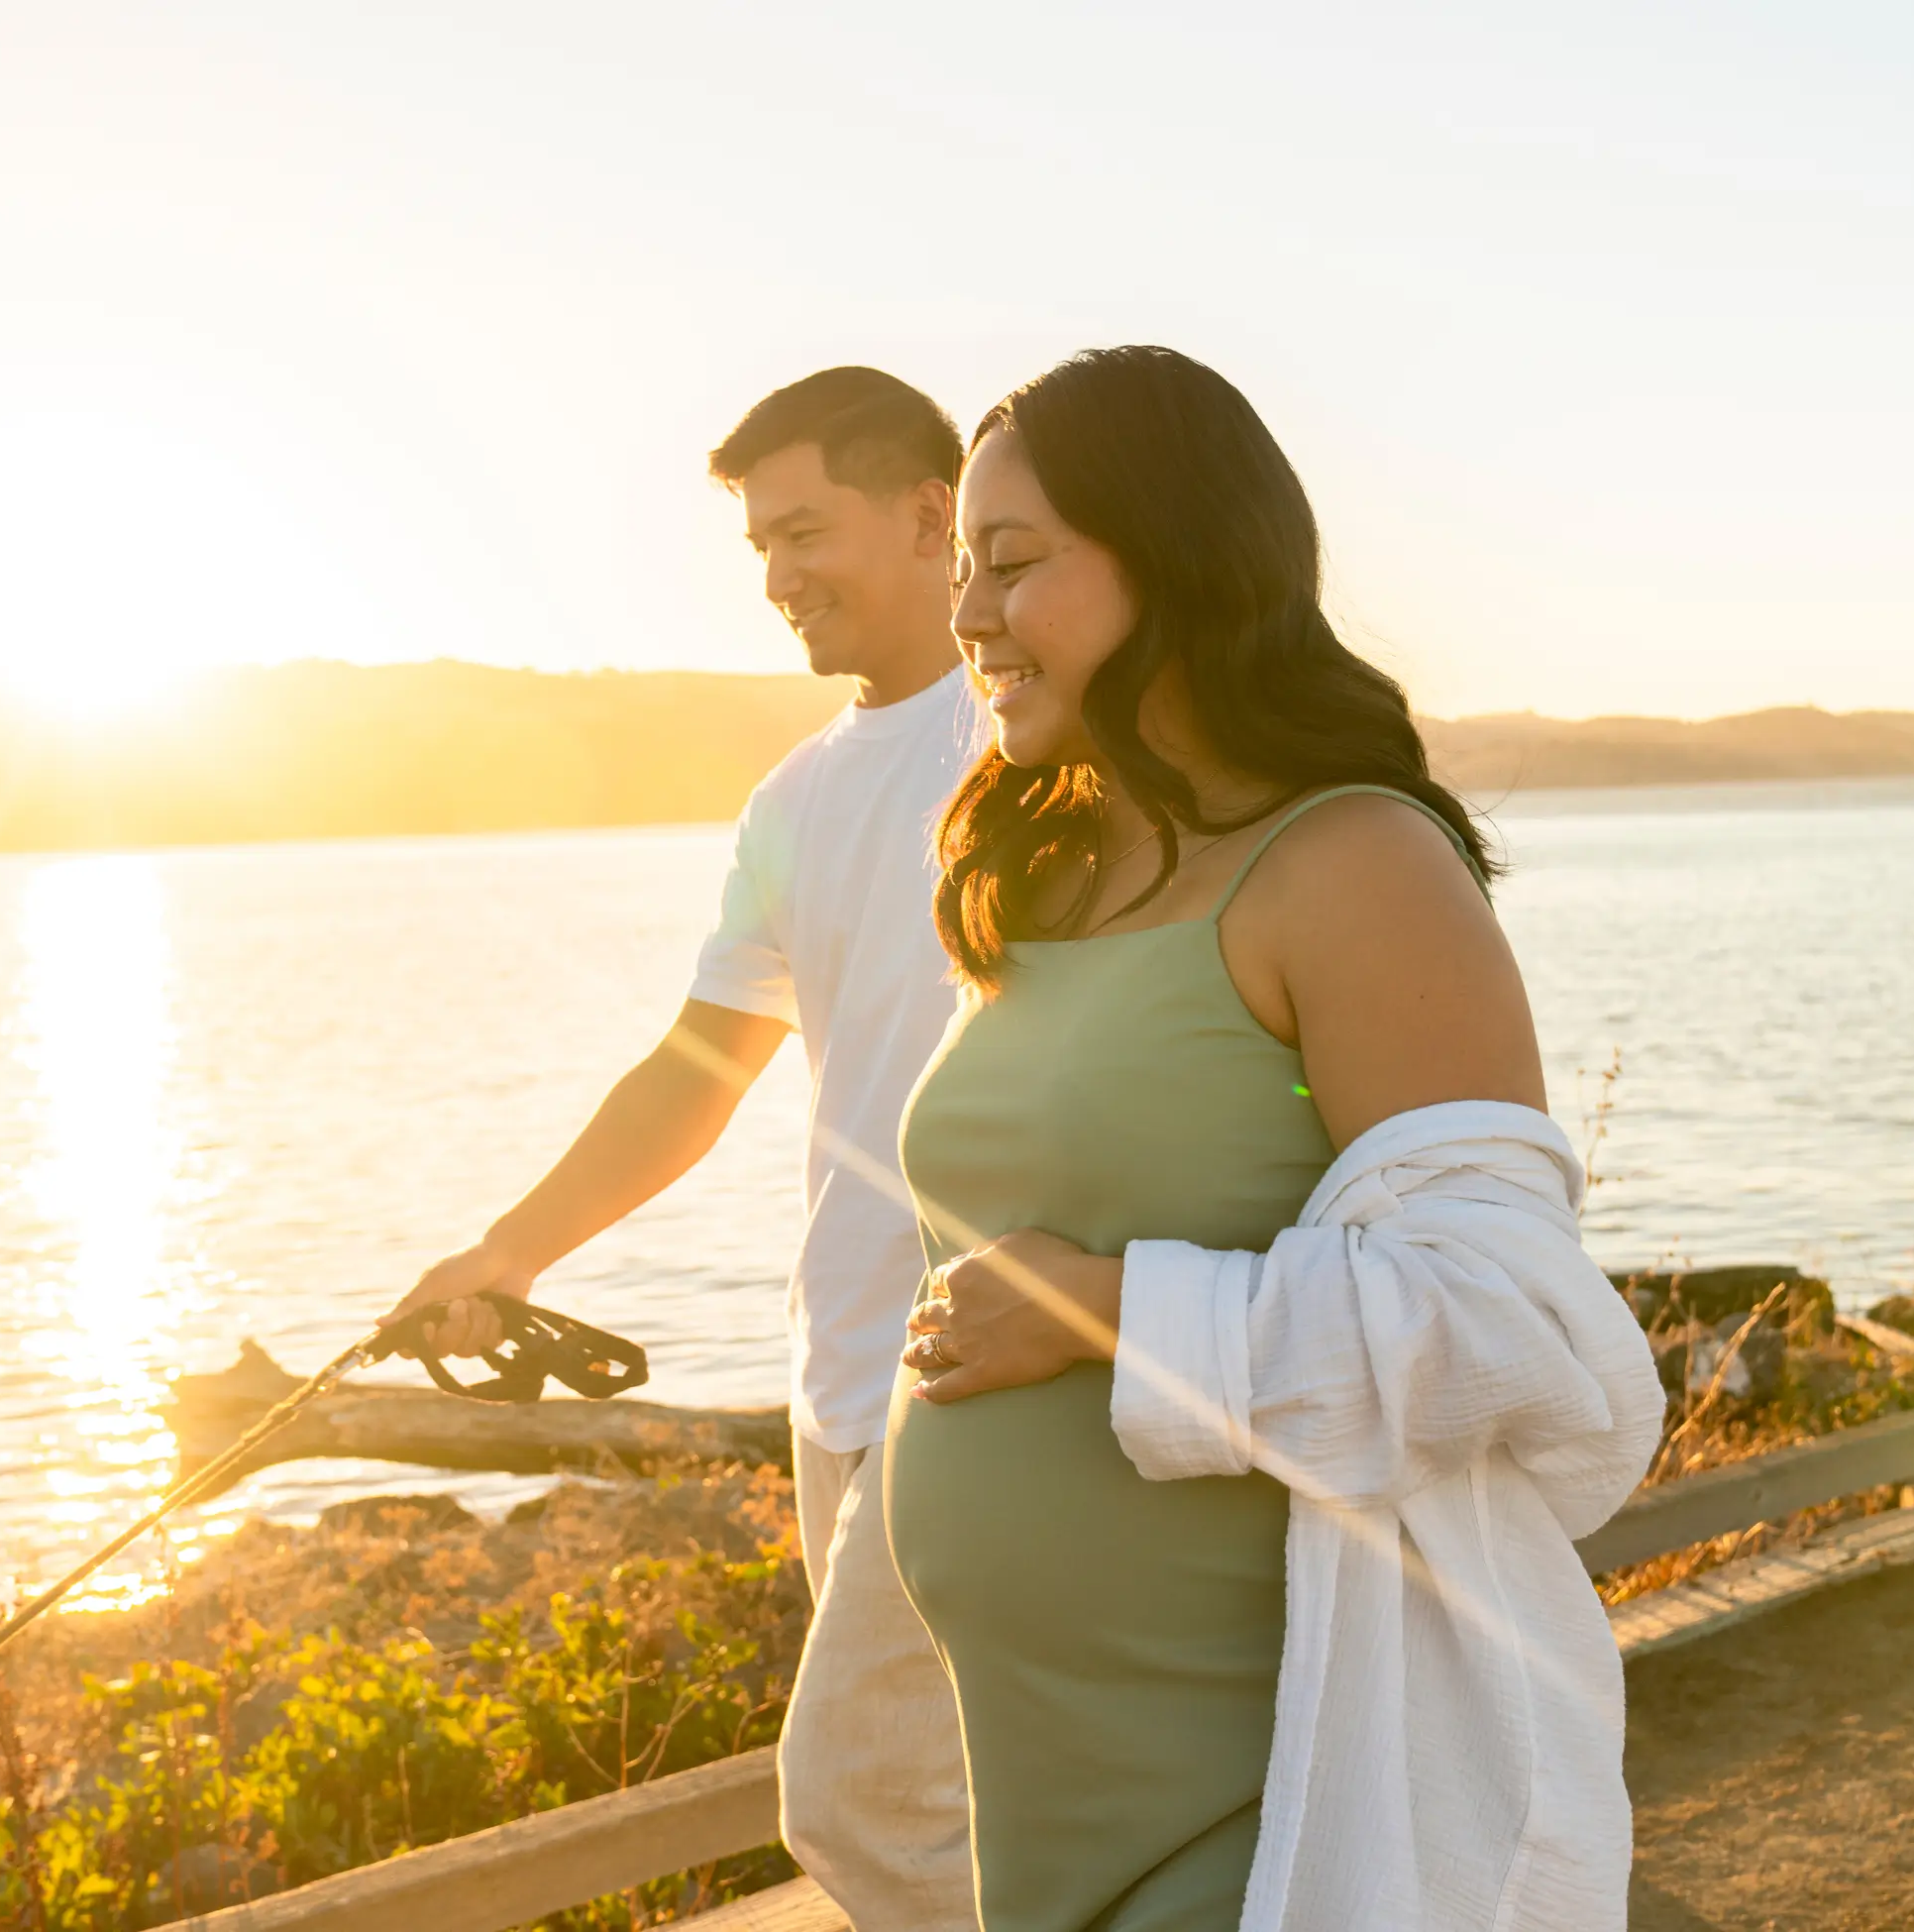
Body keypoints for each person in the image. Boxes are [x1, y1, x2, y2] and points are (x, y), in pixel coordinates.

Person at [882, 347, 1666, 1932]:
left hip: (1276, 1802)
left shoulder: (1355, 865)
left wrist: (1106, 1306)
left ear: (1175, 557)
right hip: (1049, 1812)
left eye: (1014, 563)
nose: (967, 614)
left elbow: (1520, 1333)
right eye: (962, 564)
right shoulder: (1052, 872)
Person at [385, 367, 979, 1930]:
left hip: (996, 1371)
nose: (779, 580)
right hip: (843, 1380)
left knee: (857, 1803)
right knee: (970, 1805)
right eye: (759, 549)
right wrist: (507, 1251)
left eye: (804, 532)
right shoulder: (793, 797)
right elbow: (696, 1069)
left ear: (933, 515)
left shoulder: (1044, 735)